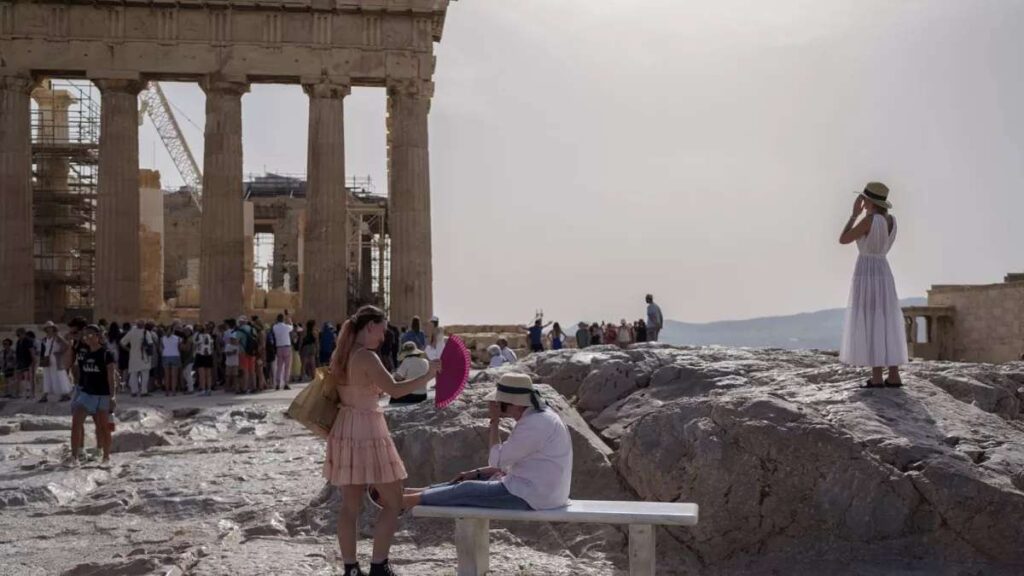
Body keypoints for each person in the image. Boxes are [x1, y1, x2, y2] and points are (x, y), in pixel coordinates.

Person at [324, 305, 439, 576]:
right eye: (382, 329)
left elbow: (361, 387)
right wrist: (427, 376)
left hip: (345, 429)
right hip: (368, 429)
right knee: (394, 500)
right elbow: (395, 391)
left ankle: (351, 569)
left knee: (349, 506)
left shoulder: (341, 354)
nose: (384, 335)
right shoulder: (366, 356)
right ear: (370, 326)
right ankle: (379, 566)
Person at [401, 373, 573, 512]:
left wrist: (495, 422)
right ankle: (415, 492)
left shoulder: (534, 424)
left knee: (466, 490)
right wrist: (476, 472)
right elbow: (509, 462)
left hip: (533, 496)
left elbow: (496, 460)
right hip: (544, 491)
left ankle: (403, 502)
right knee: (466, 479)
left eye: (501, 405)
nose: (498, 407)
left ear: (514, 403)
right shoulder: (541, 416)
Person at [839, 182, 908, 388]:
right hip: (883, 271)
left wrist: (853, 215)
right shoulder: (891, 220)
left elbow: (843, 239)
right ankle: (894, 374)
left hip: (867, 271)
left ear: (869, 201)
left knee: (870, 318)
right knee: (886, 318)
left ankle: (877, 377)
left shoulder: (869, 220)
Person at [70, 324, 117, 465]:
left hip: (102, 395)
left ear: (98, 336)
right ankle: (74, 457)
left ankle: (106, 457)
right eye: (85, 335)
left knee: (104, 428)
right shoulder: (85, 355)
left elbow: (111, 376)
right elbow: (82, 375)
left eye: (90, 334)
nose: (87, 338)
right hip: (86, 394)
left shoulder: (106, 354)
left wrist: (113, 396)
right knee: (76, 423)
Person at [39, 321, 72, 403]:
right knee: (47, 376)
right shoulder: (46, 338)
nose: (49, 329)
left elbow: (67, 345)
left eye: (50, 327)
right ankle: (45, 395)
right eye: (47, 328)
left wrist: (60, 352)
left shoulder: (57, 336)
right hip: (48, 358)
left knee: (59, 375)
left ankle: (65, 394)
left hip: (55, 359)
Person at [120, 320, 155, 397]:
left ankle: (134, 391)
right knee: (145, 374)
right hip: (144, 356)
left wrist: (129, 350)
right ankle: (143, 391)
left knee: (133, 374)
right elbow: (150, 344)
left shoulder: (131, 332)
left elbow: (122, 343)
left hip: (133, 356)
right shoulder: (146, 332)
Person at [271, 312, 294, 390]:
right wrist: (289, 319)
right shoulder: (286, 327)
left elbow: (274, 326)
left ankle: (277, 383)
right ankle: (286, 383)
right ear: (283, 319)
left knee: (279, 366)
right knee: (287, 366)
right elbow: (292, 327)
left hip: (279, 347)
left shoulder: (275, 327)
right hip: (287, 347)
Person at [235, 316, 257, 394]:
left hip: (243, 353)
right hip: (252, 352)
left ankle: (244, 388)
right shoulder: (252, 329)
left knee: (245, 371)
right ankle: (253, 387)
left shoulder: (239, 331)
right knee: (252, 370)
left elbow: (236, 341)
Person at [14, 328, 37, 399]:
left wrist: (33, 362)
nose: (18, 336)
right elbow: (17, 352)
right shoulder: (18, 341)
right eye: (17, 335)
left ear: (23, 333)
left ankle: (32, 393)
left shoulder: (28, 341)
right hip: (20, 362)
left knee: (30, 378)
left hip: (28, 361)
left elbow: (32, 351)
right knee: (18, 378)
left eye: (19, 334)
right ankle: (19, 393)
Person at [193, 324, 214, 396]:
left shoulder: (198, 335)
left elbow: (195, 344)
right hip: (208, 355)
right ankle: (208, 389)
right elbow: (212, 346)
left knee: (202, 374)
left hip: (200, 355)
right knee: (208, 374)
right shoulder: (210, 336)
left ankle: (203, 389)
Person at [161, 326, 182, 395]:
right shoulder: (178, 338)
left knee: (166, 375)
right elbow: (179, 348)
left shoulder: (162, 338)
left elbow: (161, 348)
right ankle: (173, 391)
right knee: (174, 375)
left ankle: (167, 391)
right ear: (173, 331)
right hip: (175, 355)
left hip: (165, 356)